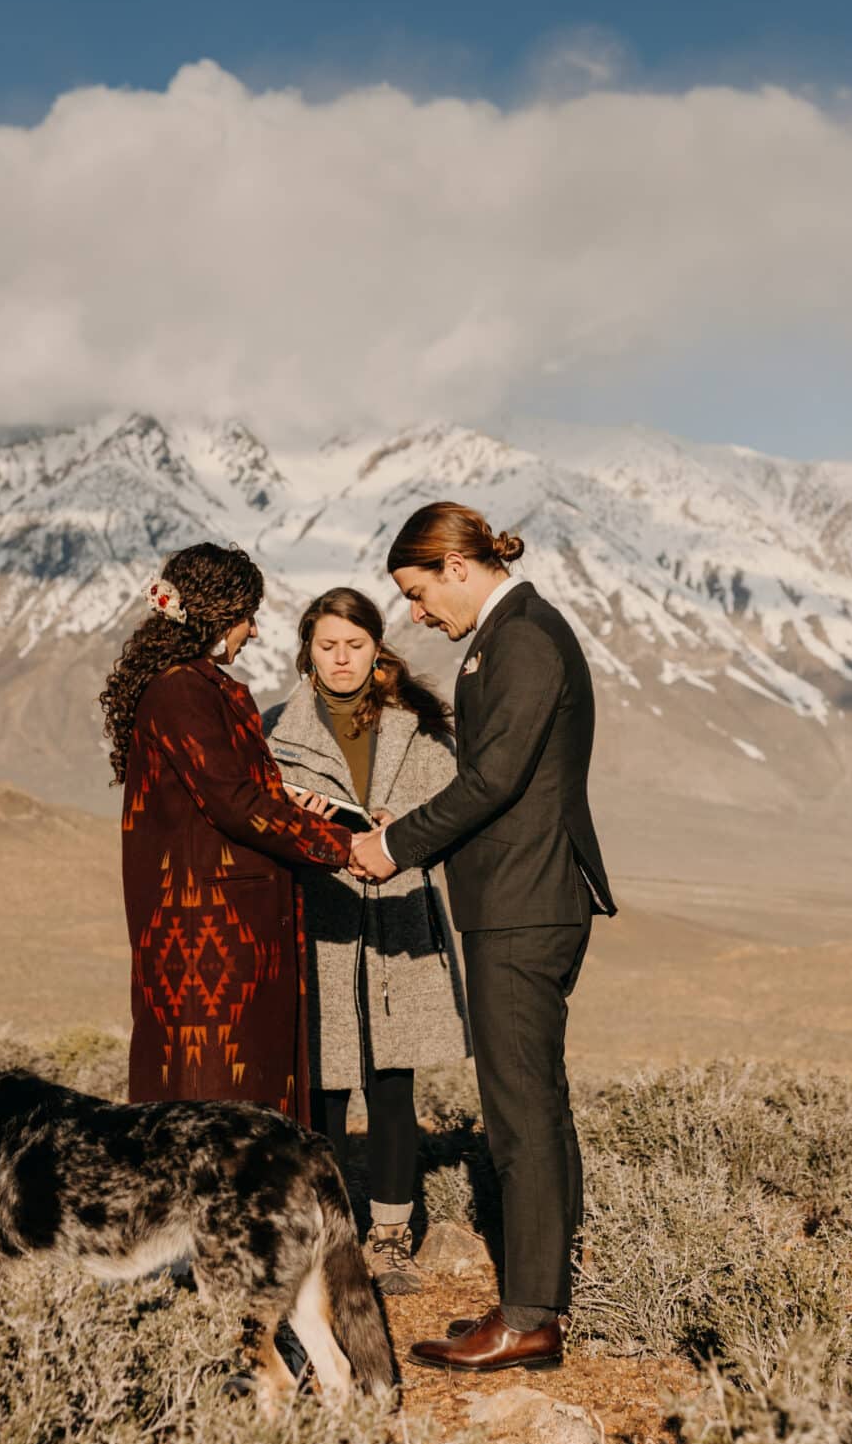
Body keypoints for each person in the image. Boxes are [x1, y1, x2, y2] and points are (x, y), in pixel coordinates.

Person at [349, 503, 615, 1373]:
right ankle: (537, 1292)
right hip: (516, 894)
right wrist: (415, 821)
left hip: (524, 904)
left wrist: (394, 844)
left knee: (521, 1112)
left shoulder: (526, 638)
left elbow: (497, 777)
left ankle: (534, 1316)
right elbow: (502, 777)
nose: (416, 616)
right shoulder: (506, 637)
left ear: (456, 567)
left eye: (418, 593)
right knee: (532, 1100)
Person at [263, 588, 471, 1296]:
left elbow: (452, 815)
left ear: (376, 648)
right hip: (318, 922)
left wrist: (399, 824)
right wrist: (308, 826)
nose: (342, 658)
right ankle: (324, 1232)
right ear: (307, 651)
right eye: (328, 646)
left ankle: (389, 1238)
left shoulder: (420, 730)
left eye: (355, 645)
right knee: (321, 1085)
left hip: (398, 922)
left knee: (392, 1082)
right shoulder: (272, 732)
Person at [100, 542, 354, 1117]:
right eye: (246, 617)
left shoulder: (190, 686)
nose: (254, 632)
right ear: (216, 615)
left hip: (217, 931)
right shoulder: (182, 691)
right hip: (209, 939)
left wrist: (303, 807)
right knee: (219, 1101)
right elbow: (233, 802)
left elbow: (227, 789)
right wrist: (342, 847)